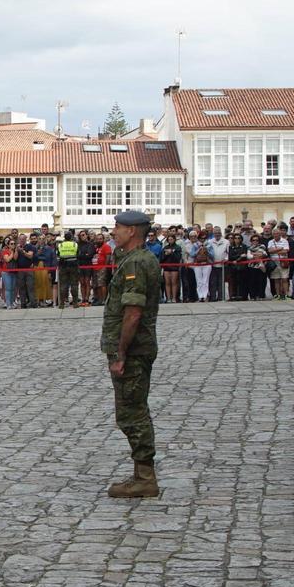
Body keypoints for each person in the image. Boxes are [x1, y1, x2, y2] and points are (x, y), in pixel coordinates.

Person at [101, 210, 163, 498]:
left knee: (132, 413)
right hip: (136, 348)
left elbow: (133, 313)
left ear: (133, 232)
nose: (115, 232)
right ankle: (142, 473)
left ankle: (145, 477)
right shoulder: (132, 258)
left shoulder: (137, 262)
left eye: (119, 227)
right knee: (132, 410)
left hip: (134, 350)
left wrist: (120, 353)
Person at [267, 227, 291, 300]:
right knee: (276, 279)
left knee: (284, 279)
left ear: (280, 234)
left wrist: (275, 250)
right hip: (274, 263)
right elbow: (269, 251)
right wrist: (280, 249)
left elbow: (286, 251)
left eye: (277, 233)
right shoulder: (270, 242)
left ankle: (286, 294)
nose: (276, 235)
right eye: (274, 234)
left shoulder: (285, 241)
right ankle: (277, 295)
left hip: (283, 261)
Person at [57, 231, 79, 308]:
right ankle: (75, 303)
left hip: (63, 266)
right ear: (71, 237)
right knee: (74, 284)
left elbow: (58, 254)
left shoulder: (61, 245)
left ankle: (62, 304)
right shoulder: (74, 244)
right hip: (73, 265)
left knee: (63, 285)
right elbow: (77, 253)